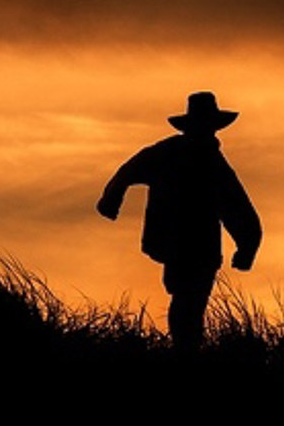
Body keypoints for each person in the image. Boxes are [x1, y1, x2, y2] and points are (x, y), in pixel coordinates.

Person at [97, 91, 261, 352]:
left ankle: (184, 350)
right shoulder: (197, 159)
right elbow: (236, 206)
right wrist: (112, 198)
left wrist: (247, 246)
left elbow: (236, 206)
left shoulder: (177, 155)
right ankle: (185, 352)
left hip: (186, 244)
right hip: (189, 244)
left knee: (186, 300)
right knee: (189, 301)